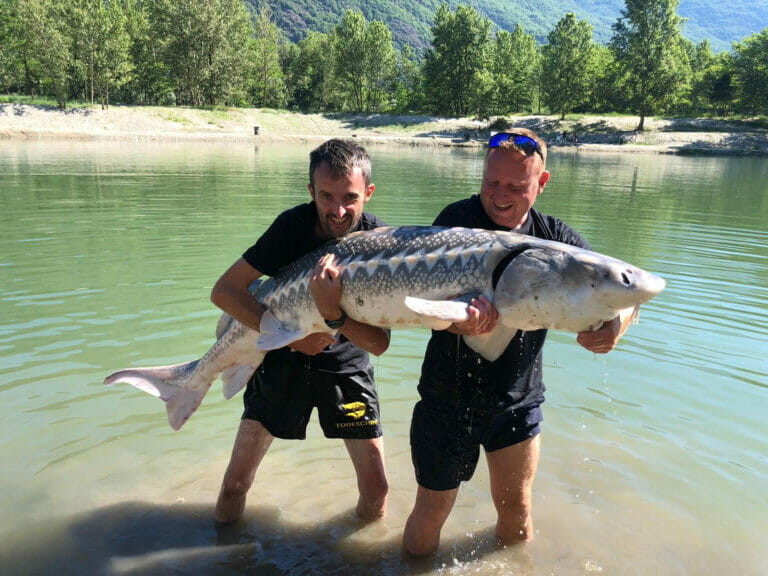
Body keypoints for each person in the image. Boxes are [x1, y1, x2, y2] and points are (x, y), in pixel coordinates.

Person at [402, 128, 634, 555]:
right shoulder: (456, 221)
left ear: (541, 184)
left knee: (517, 517)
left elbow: (621, 288)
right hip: (446, 397)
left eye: (516, 186)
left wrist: (615, 325)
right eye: (492, 183)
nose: (500, 196)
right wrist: (458, 323)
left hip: (516, 400)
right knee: (429, 515)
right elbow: (422, 306)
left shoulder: (556, 238)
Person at [212, 139, 390, 524]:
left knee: (376, 489)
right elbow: (224, 291)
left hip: (345, 364)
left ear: (368, 193)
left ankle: (360, 562)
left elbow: (379, 344)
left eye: (350, 197)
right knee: (236, 484)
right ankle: (225, 558)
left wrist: (333, 321)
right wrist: (292, 337)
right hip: (281, 361)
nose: (338, 210)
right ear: (311, 191)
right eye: (326, 196)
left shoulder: (381, 243)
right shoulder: (291, 228)